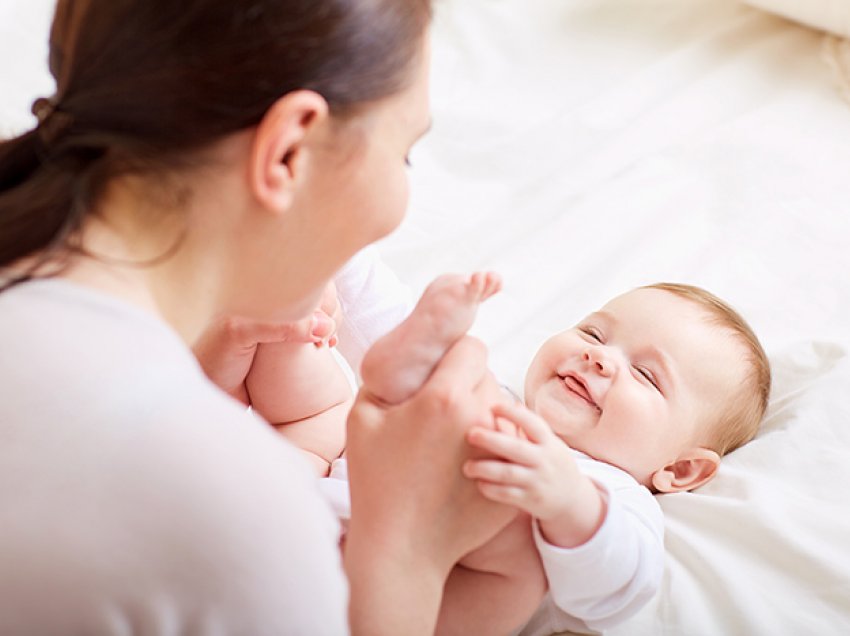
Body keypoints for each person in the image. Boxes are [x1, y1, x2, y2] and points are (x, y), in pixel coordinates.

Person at [0, 1, 520, 634]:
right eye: (405, 153)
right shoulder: (237, 512)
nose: (399, 201)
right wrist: (408, 548)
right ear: (288, 151)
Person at [245, 272, 770, 635]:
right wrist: (344, 257)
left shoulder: (613, 497)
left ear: (679, 470)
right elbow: (380, 315)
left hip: (390, 603)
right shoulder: (489, 395)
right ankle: (294, 307)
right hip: (309, 493)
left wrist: (567, 500)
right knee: (321, 374)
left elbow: (620, 590)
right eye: (594, 332)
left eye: (646, 375)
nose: (599, 356)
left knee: (516, 540)